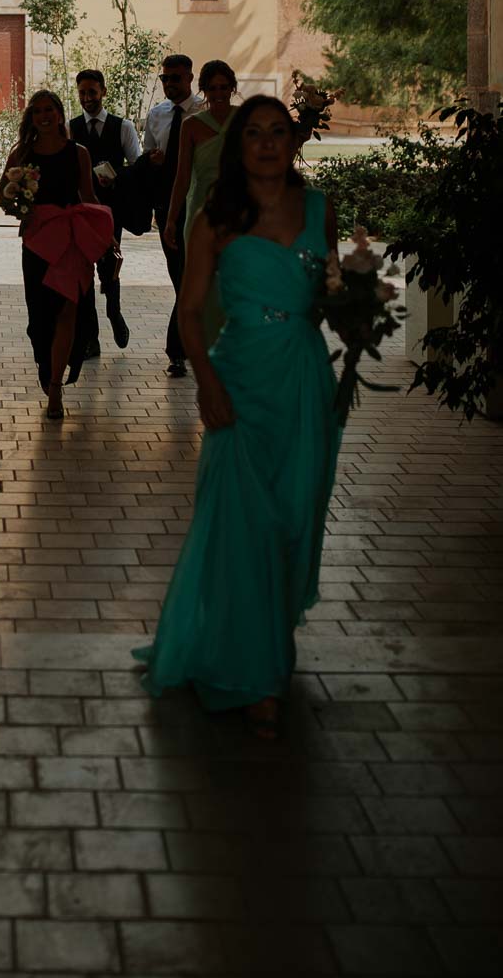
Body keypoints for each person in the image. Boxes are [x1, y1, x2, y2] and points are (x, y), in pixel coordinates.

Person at [134, 96, 343, 739]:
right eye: (254, 133)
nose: (267, 143)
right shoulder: (216, 219)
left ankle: (265, 639)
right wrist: (206, 383)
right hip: (240, 380)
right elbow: (191, 312)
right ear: (237, 146)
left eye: (279, 132)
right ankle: (260, 674)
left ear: (293, 141)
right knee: (247, 525)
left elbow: (328, 291)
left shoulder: (318, 209)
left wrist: (353, 302)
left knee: (295, 517)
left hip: (305, 381)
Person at [1, 90, 113, 420]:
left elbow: (88, 196)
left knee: (68, 311)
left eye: (49, 109)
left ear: (61, 114)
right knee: (40, 317)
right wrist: (18, 203)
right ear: (31, 118)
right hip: (38, 242)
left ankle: (55, 387)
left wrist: (105, 238)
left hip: (72, 243)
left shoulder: (78, 153)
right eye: (37, 112)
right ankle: (46, 363)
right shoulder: (20, 154)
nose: (44, 116)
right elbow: (2, 196)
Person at [163, 60, 239, 350]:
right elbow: (182, 177)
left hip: (236, 210)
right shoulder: (191, 125)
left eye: (224, 87)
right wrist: (171, 219)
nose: (219, 93)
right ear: (203, 90)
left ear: (232, 88)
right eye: (212, 88)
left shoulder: (245, 120)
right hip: (199, 212)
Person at [69, 69, 141, 357]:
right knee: (82, 272)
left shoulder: (123, 127)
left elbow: (137, 166)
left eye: (92, 92)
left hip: (112, 210)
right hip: (80, 210)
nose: (87, 98)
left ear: (103, 92)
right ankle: (90, 338)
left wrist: (118, 176)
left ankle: (114, 311)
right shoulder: (71, 127)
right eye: (83, 93)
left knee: (109, 265)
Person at [141, 54, 204, 377]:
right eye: (165, 78)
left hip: (202, 206)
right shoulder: (157, 115)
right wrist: (152, 160)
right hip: (167, 207)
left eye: (176, 78)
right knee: (181, 277)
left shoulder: (205, 112)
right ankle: (183, 347)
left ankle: (178, 350)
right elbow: (147, 156)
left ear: (190, 78)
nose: (169, 84)